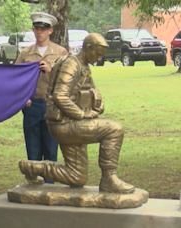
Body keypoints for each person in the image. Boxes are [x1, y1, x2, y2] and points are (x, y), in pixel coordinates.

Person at [18, 33, 135, 194]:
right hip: (64, 124)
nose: (99, 59)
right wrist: (82, 115)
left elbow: (93, 91)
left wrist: (97, 105)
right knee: (114, 129)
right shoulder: (72, 65)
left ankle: (32, 167)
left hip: (70, 123)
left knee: (77, 176)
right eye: (98, 54)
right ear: (88, 48)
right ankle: (109, 178)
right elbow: (60, 96)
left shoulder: (83, 66)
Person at [15, 12, 68, 184]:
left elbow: (69, 78)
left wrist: (52, 69)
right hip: (32, 104)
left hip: (52, 105)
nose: (39, 32)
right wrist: (23, 98)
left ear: (50, 31)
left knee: (50, 148)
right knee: (33, 147)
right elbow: (17, 78)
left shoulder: (60, 52)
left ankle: (50, 184)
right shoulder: (25, 53)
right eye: (37, 29)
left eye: (43, 29)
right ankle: (34, 182)